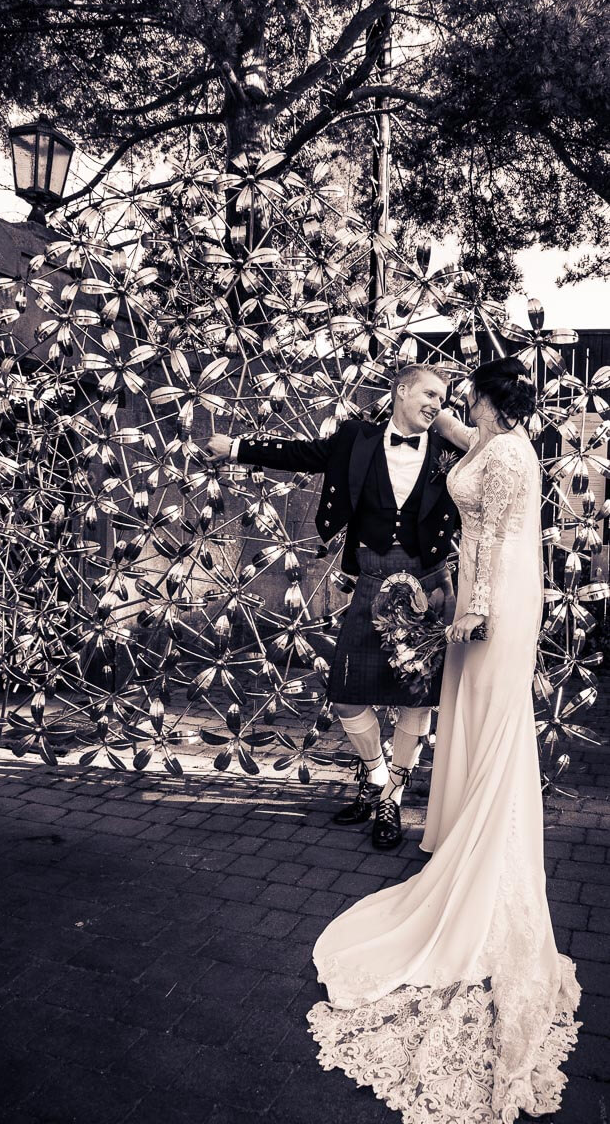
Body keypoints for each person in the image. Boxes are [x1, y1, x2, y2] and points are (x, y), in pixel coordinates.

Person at [307, 357, 581, 1123]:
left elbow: (493, 536)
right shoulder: (488, 439)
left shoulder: (510, 455)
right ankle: (459, 827)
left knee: (491, 716)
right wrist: (406, 394)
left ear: (488, 397)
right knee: (464, 710)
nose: (453, 403)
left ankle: (488, 850)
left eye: (463, 394)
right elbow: (448, 430)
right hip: (477, 595)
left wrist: (476, 607)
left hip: (496, 601)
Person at [207, 365, 464, 849]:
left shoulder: (449, 449)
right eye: (429, 394)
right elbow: (303, 454)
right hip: (370, 579)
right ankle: (376, 777)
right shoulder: (355, 438)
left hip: (426, 582)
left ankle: (391, 797)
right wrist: (237, 447)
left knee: (415, 696)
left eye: (442, 399)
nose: (436, 404)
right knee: (345, 692)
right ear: (401, 390)